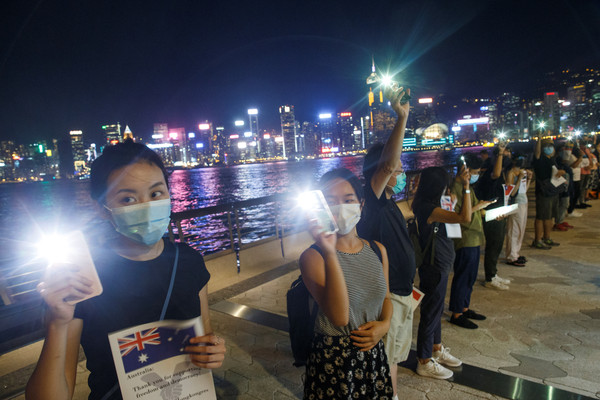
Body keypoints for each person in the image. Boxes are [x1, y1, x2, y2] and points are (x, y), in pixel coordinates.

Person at [26, 141, 226, 400]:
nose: (146, 205)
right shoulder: (83, 280)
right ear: (102, 209)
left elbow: (204, 338)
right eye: (128, 199)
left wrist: (212, 352)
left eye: (156, 194)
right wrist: (56, 323)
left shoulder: (190, 261)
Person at [300, 168, 393, 399]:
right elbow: (340, 317)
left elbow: (387, 298)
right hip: (335, 362)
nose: (340, 207)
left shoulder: (377, 250)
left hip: (373, 354)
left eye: (348, 200)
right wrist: (330, 251)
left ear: (361, 205)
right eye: (330, 202)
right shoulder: (313, 257)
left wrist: (386, 325)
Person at [357, 86, 413, 400]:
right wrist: (401, 118)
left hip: (403, 293)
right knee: (385, 358)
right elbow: (387, 166)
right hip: (388, 296)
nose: (401, 171)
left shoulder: (391, 202)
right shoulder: (373, 199)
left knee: (392, 358)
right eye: (397, 167)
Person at [412, 166, 471, 379]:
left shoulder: (433, 205)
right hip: (434, 265)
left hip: (440, 263)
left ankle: (436, 348)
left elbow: (459, 216)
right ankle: (424, 360)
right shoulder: (429, 208)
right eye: (445, 185)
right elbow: (464, 218)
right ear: (438, 186)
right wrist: (465, 187)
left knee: (436, 309)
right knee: (430, 312)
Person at [449, 155, 493, 329]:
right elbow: (461, 216)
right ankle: (457, 313)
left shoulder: (467, 188)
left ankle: (464, 307)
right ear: (464, 171)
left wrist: (485, 211)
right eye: (473, 172)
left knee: (470, 276)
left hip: (474, 237)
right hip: (465, 238)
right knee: (463, 276)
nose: (475, 176)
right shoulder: (456, 189)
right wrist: (479, 207)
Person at [477, 143, 511, 289]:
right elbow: (495, 174)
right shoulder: (493, 171)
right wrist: (500, 153)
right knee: (492, 245)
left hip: (500, 213)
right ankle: (490, 278)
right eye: (505, 154)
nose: (508, 155)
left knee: (497, 245)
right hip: (491, 214)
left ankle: (493, 273)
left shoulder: (503, 173)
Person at [532, 136, 564, 250]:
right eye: (546, 146)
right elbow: (536, 152)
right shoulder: (539, 159)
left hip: (552, 190)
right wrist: (539, 138)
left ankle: (547, 237)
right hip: (543, 191)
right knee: (541, 216)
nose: (549, 148)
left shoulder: (552, 159)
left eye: (551, 146)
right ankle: (537, 240)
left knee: (549, 216)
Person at [505, 154, 533, 264]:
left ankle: (516, 253)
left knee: (521, 229)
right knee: (514, 230)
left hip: (523, 202)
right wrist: (519, 179)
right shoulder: (511, 173)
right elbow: (511, 193)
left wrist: (528, 178)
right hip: (516, 204)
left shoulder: (522, 172)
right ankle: (511, 256)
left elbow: (524, 190)